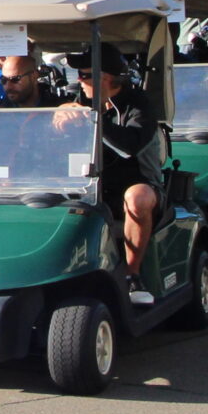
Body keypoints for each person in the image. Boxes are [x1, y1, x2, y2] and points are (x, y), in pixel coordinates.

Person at [58, 52, 162, 302]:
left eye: (84, 75)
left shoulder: (139, 104)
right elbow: (51, 114)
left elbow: (130, 147)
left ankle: (132, 275)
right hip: (90, 184)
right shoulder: (80, 99)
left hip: (136, 183)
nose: (79, 81)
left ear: (103, 78)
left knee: (137, 198)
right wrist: (60, 113)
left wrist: (94, 120)